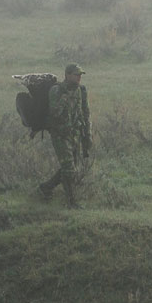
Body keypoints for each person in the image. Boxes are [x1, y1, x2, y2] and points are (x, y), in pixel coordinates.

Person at [38, 63, 92, 208]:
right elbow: (54, 113)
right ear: (67, 75)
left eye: (80, 75)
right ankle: (71, 202)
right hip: (60, 134)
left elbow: (84, 113)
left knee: (70, 167)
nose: (79, 77)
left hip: (74, 134)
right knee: (69, 168)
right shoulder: (56, 90)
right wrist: (65, 98)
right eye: (76, 75)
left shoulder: (79, 91)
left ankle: (46, 187)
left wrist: (87, 135)